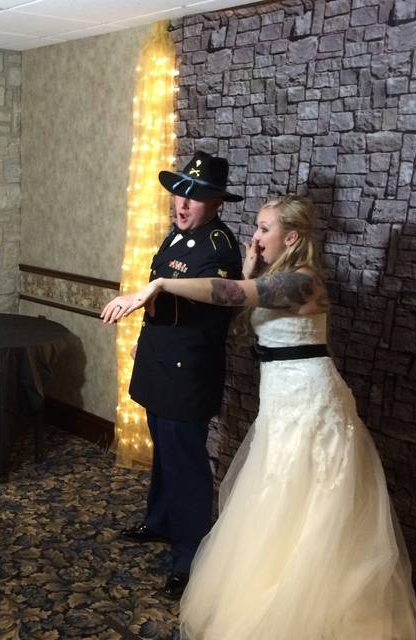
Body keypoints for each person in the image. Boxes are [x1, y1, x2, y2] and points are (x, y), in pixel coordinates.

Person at [102, 195, 416, 639]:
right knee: (276, 493)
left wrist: (158, 286)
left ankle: (304, 605)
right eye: (256, 226)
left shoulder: (302, 282)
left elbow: (229, 292)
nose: (255, 236)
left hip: (309, 402)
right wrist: (250, 266)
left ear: (291, 237)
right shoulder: (275, 275)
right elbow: (238, 308)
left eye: (264, 228)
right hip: (281, 399)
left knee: (304, 499)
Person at [115, 151, 243, 599]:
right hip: (159, 360)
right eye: (179, 194)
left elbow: (212, 300)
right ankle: (161, 521)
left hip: (188, 370)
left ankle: (190, 553)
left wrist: (157, 295)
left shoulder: (220, 247)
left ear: (216, 203)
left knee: (186, 461)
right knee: (164, 450)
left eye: (195, 197)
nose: (182, 205)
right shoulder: (176, 237)